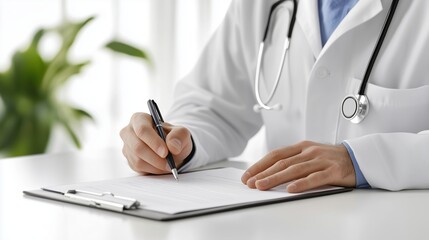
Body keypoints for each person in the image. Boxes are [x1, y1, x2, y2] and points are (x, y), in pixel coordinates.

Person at [120, 0, 429, 193]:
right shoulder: (259, 5)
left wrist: (363, 160)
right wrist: (175, 144)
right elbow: (212, 104)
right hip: (280, 221)